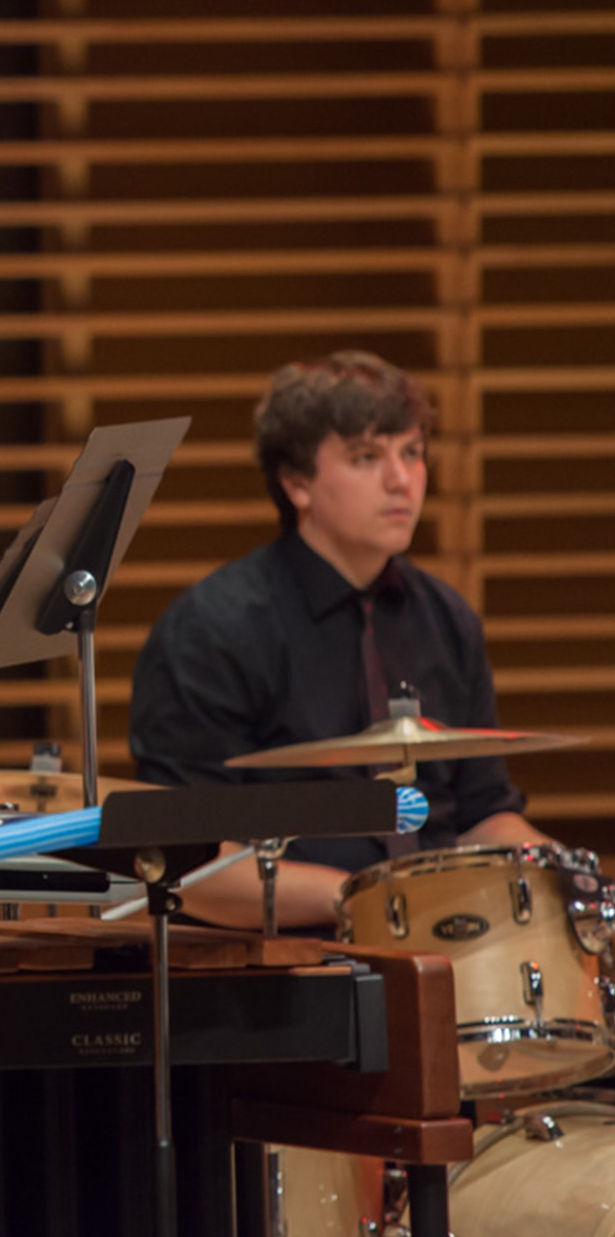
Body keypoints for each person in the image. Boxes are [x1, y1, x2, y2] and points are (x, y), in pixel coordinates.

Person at [128, 350, 548, 929]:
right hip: (289, 966)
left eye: (412, 453)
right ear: (296, 482)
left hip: (441, 944)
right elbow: (188, 863)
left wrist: (554, 869)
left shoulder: (447, 619)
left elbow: (482, 811)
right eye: (366, 457)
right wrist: (375, 898)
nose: (401, 480)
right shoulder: (212, 630)